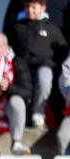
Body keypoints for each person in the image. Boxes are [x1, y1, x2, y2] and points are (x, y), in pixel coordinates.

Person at [10, 0, 66, 129]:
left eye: (34, 7)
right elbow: (9, 47)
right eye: (27, 7)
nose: (30, 10)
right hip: (22, 68)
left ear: (43, 8)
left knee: (44, 80)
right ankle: (22, 119)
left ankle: (38, 113)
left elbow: (62, 49)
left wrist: (52, 63)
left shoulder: (50, 28)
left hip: (43, 66)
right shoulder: (18, 27)